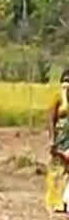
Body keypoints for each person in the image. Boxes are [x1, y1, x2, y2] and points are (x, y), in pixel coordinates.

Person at [46, 70, 69, 212]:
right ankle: (55, 201)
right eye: (65, 81)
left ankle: (66, 199)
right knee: (57, 170)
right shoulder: (57, 98)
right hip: (60, 137)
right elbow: (51, 120)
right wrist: (52, 140)